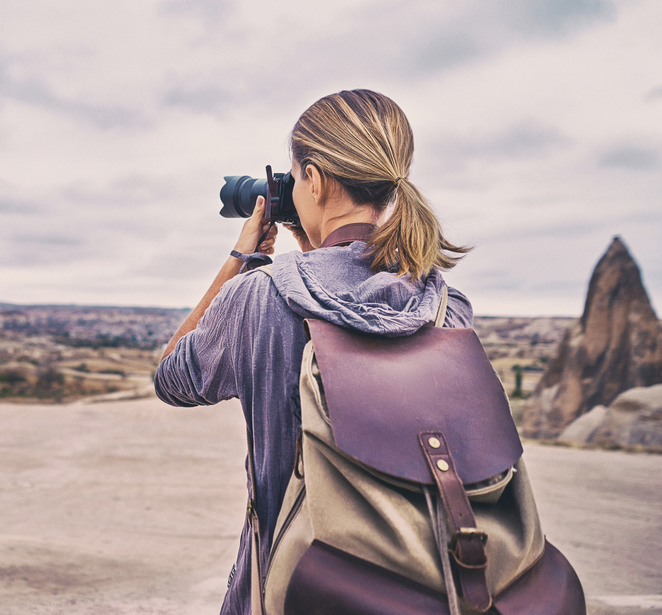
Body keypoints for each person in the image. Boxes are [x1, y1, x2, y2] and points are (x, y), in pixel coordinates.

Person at [153, 89, 473, 615]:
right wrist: (315, 248)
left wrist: (241, 257)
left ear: (316, 180)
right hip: (423, 586)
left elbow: (172, 378)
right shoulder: (444, 303)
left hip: (290, 589)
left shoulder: (259, 297)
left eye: (296, 175)